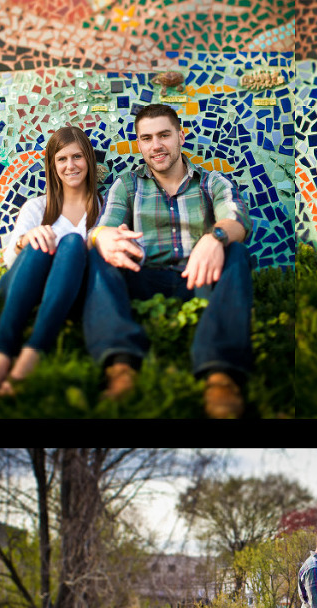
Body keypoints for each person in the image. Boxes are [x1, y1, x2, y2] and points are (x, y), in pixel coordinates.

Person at [82, 103, 253, 416]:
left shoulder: (211, 182)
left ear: (180, 137)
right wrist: (101, 236)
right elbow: (101, 227)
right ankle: (121, 366)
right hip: (144, 276)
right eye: (147, 138)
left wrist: (214, 238)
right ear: (139, 144)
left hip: (200, 277)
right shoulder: (127, 184)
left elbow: (237, 220)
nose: (156, 145)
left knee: (237, 252)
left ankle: (220, 376)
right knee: (100, 253)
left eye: (164, 135)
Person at [0, 126, 100, 394]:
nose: (71, 165)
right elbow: (10, 262)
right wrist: (25, 239)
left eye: (78, 157)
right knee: (37, 241)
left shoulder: (104, 210)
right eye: (62, 159)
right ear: (53, 164)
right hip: (21, 289)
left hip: (70, 293)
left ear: (89, 160)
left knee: (71, 242)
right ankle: (0, 356)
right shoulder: (36, 207)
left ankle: (31, 354)